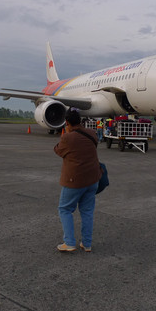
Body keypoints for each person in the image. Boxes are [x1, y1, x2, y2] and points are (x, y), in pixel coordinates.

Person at [54, 108, 102, 252]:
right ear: (80, 120)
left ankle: (69, 242)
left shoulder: (68, 138)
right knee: (87, 211)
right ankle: (86, 244)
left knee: (65, 209)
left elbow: (58, 150)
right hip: (93, 179)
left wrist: (67, 134)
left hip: (74, 180)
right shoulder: (92, 133)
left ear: (67, 122)